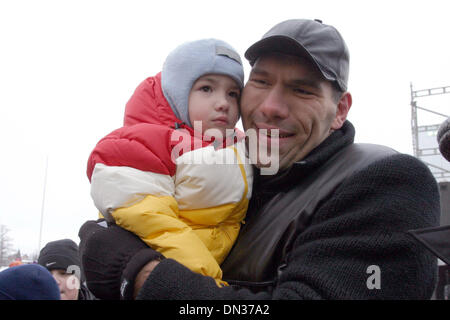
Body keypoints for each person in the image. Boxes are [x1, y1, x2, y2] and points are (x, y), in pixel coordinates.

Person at [79, 19, 440, 300]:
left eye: (301, 90)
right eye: (261, 82)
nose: (270, 107)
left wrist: (140, 273)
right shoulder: (223, 173)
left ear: (339, 110)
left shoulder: (386, 182)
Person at [85, 38, 252, 298]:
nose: (223, 103)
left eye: (233, 93)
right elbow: (154, 223)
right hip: (174, 279)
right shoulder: (143, 143)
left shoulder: (241, 145)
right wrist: (206, 282)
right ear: (176, 93)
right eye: (206, 88)